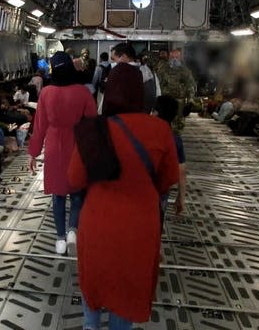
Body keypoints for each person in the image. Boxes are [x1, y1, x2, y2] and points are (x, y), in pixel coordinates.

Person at [68, 71, 179, 330]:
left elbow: (74, 178)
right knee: (127, 287)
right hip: (140, 225)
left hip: (98, 221)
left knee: (93, 279)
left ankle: (90, 325)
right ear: (142, 94)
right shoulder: (160, 129)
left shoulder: (94, 129)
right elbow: (168, 179)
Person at [28, 51, 97, 255]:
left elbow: (39, 126)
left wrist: (33, 152)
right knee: (77, 193)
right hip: (78, 145)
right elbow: (93, 123)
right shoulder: (83, 92)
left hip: (54, 146)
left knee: (58, 195)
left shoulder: (47, 93)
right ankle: (73, 230)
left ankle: (59, 239)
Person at [152, 95, 187, 219]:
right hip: (161, 195)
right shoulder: (175, 140)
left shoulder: (144, 135)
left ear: (156, 112)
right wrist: (181, 197)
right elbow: (181, 171)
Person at [157, 49, 196, 132]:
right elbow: (158, 84)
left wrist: (190, 102)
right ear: (169, 57)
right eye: (172, 57)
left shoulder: (185, 71)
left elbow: (191, 86)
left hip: (179, 102)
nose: (174, 59)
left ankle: (176, 141)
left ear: (181, 57)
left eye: (177, 57)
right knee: (163, 124)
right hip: (165, 101)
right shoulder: (163, 70)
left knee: (178, 125)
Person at [100, 43, 144, 115]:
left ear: (124, 56)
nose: (114, 62)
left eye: (114, 59)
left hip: (117, 119)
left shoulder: (118, 70)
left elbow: (110, 100)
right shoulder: (141, 71)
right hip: (135, 116)